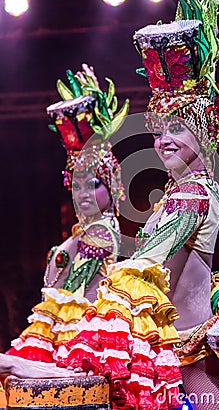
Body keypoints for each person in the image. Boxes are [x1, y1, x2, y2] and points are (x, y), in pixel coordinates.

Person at [0, 0, 219, 410]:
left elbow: (144, 268)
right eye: (159, 129)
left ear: (204, 131)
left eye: (177, 128)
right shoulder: (178, 194)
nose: (162, 139)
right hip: (180, 345)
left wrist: (93, 347)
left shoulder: (193, 195)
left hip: (194, 354)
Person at [1, 64, 128, 365]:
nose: (83, 194)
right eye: (77, 185)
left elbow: (71, 293)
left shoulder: (102, 232)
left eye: (94, 184)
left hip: (86, 336)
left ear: (112, 185)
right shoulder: (82, 234)